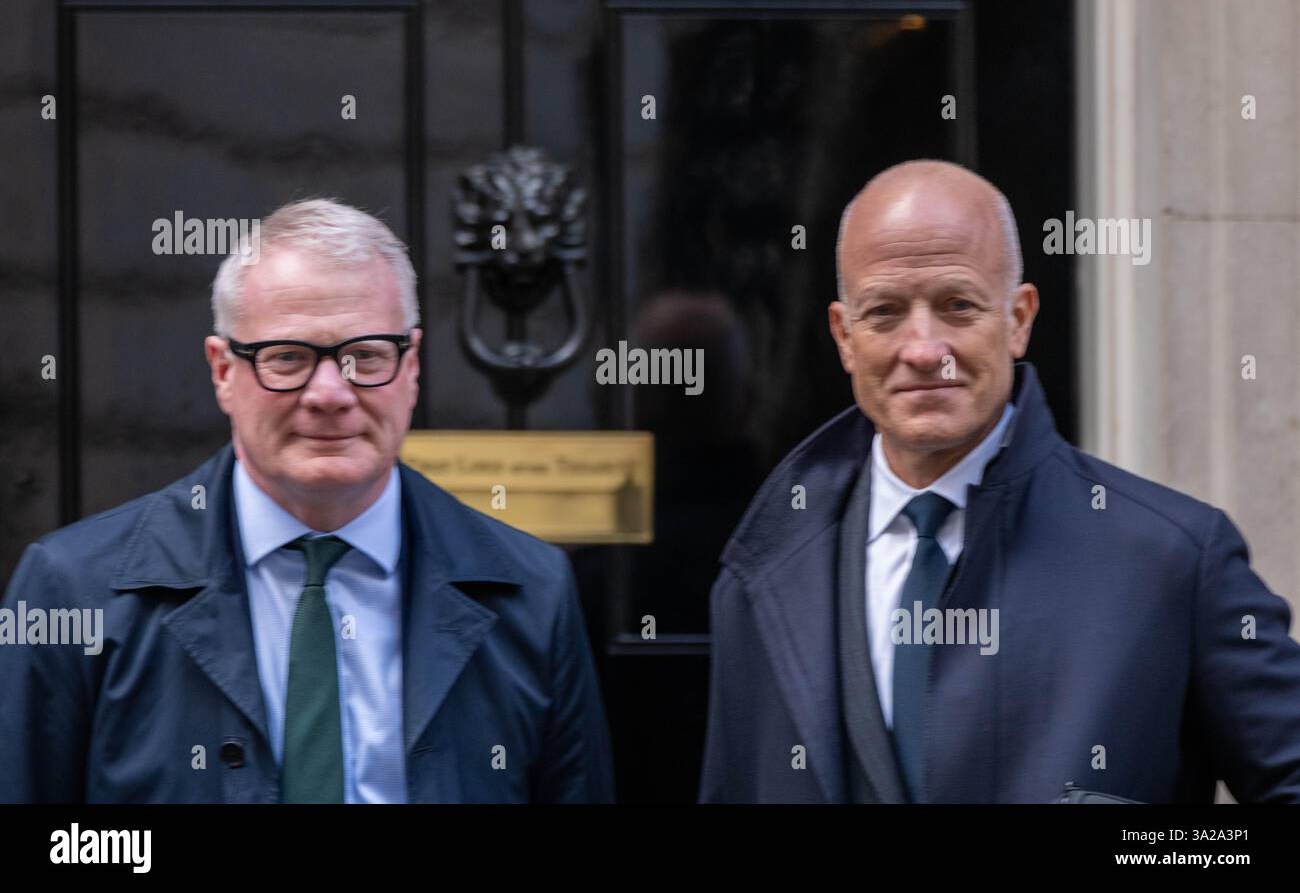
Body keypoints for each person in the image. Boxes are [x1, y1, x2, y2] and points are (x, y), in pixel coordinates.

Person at [699, 159, 1300, 803]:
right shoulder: (760, 578)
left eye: (957, 305)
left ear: (1018, 318)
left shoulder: (1172, 559)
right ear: (845, 337)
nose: (924, 348)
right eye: (886, 311)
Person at [0, 198, 614, 803]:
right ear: (222, 372)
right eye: (288, 357)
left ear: (412, 365)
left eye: (365, 355)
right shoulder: (74, 591)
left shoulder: (532, 593)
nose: (329, 393)